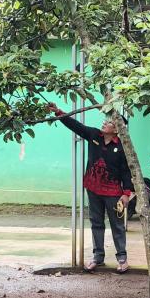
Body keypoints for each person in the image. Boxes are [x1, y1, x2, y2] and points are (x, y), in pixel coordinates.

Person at [48, 103, 134, 273]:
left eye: (109, 122)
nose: (104, 123)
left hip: (113, 193)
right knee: (96, 222)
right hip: (93, 189)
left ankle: (122, 258)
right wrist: (58, 112)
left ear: (117, 129)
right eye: (105, 120)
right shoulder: (94, 135)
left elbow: (127, 171)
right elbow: (76, 126)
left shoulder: (123, 148)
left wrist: (126, 193)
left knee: (117, 225)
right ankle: (98, 257)